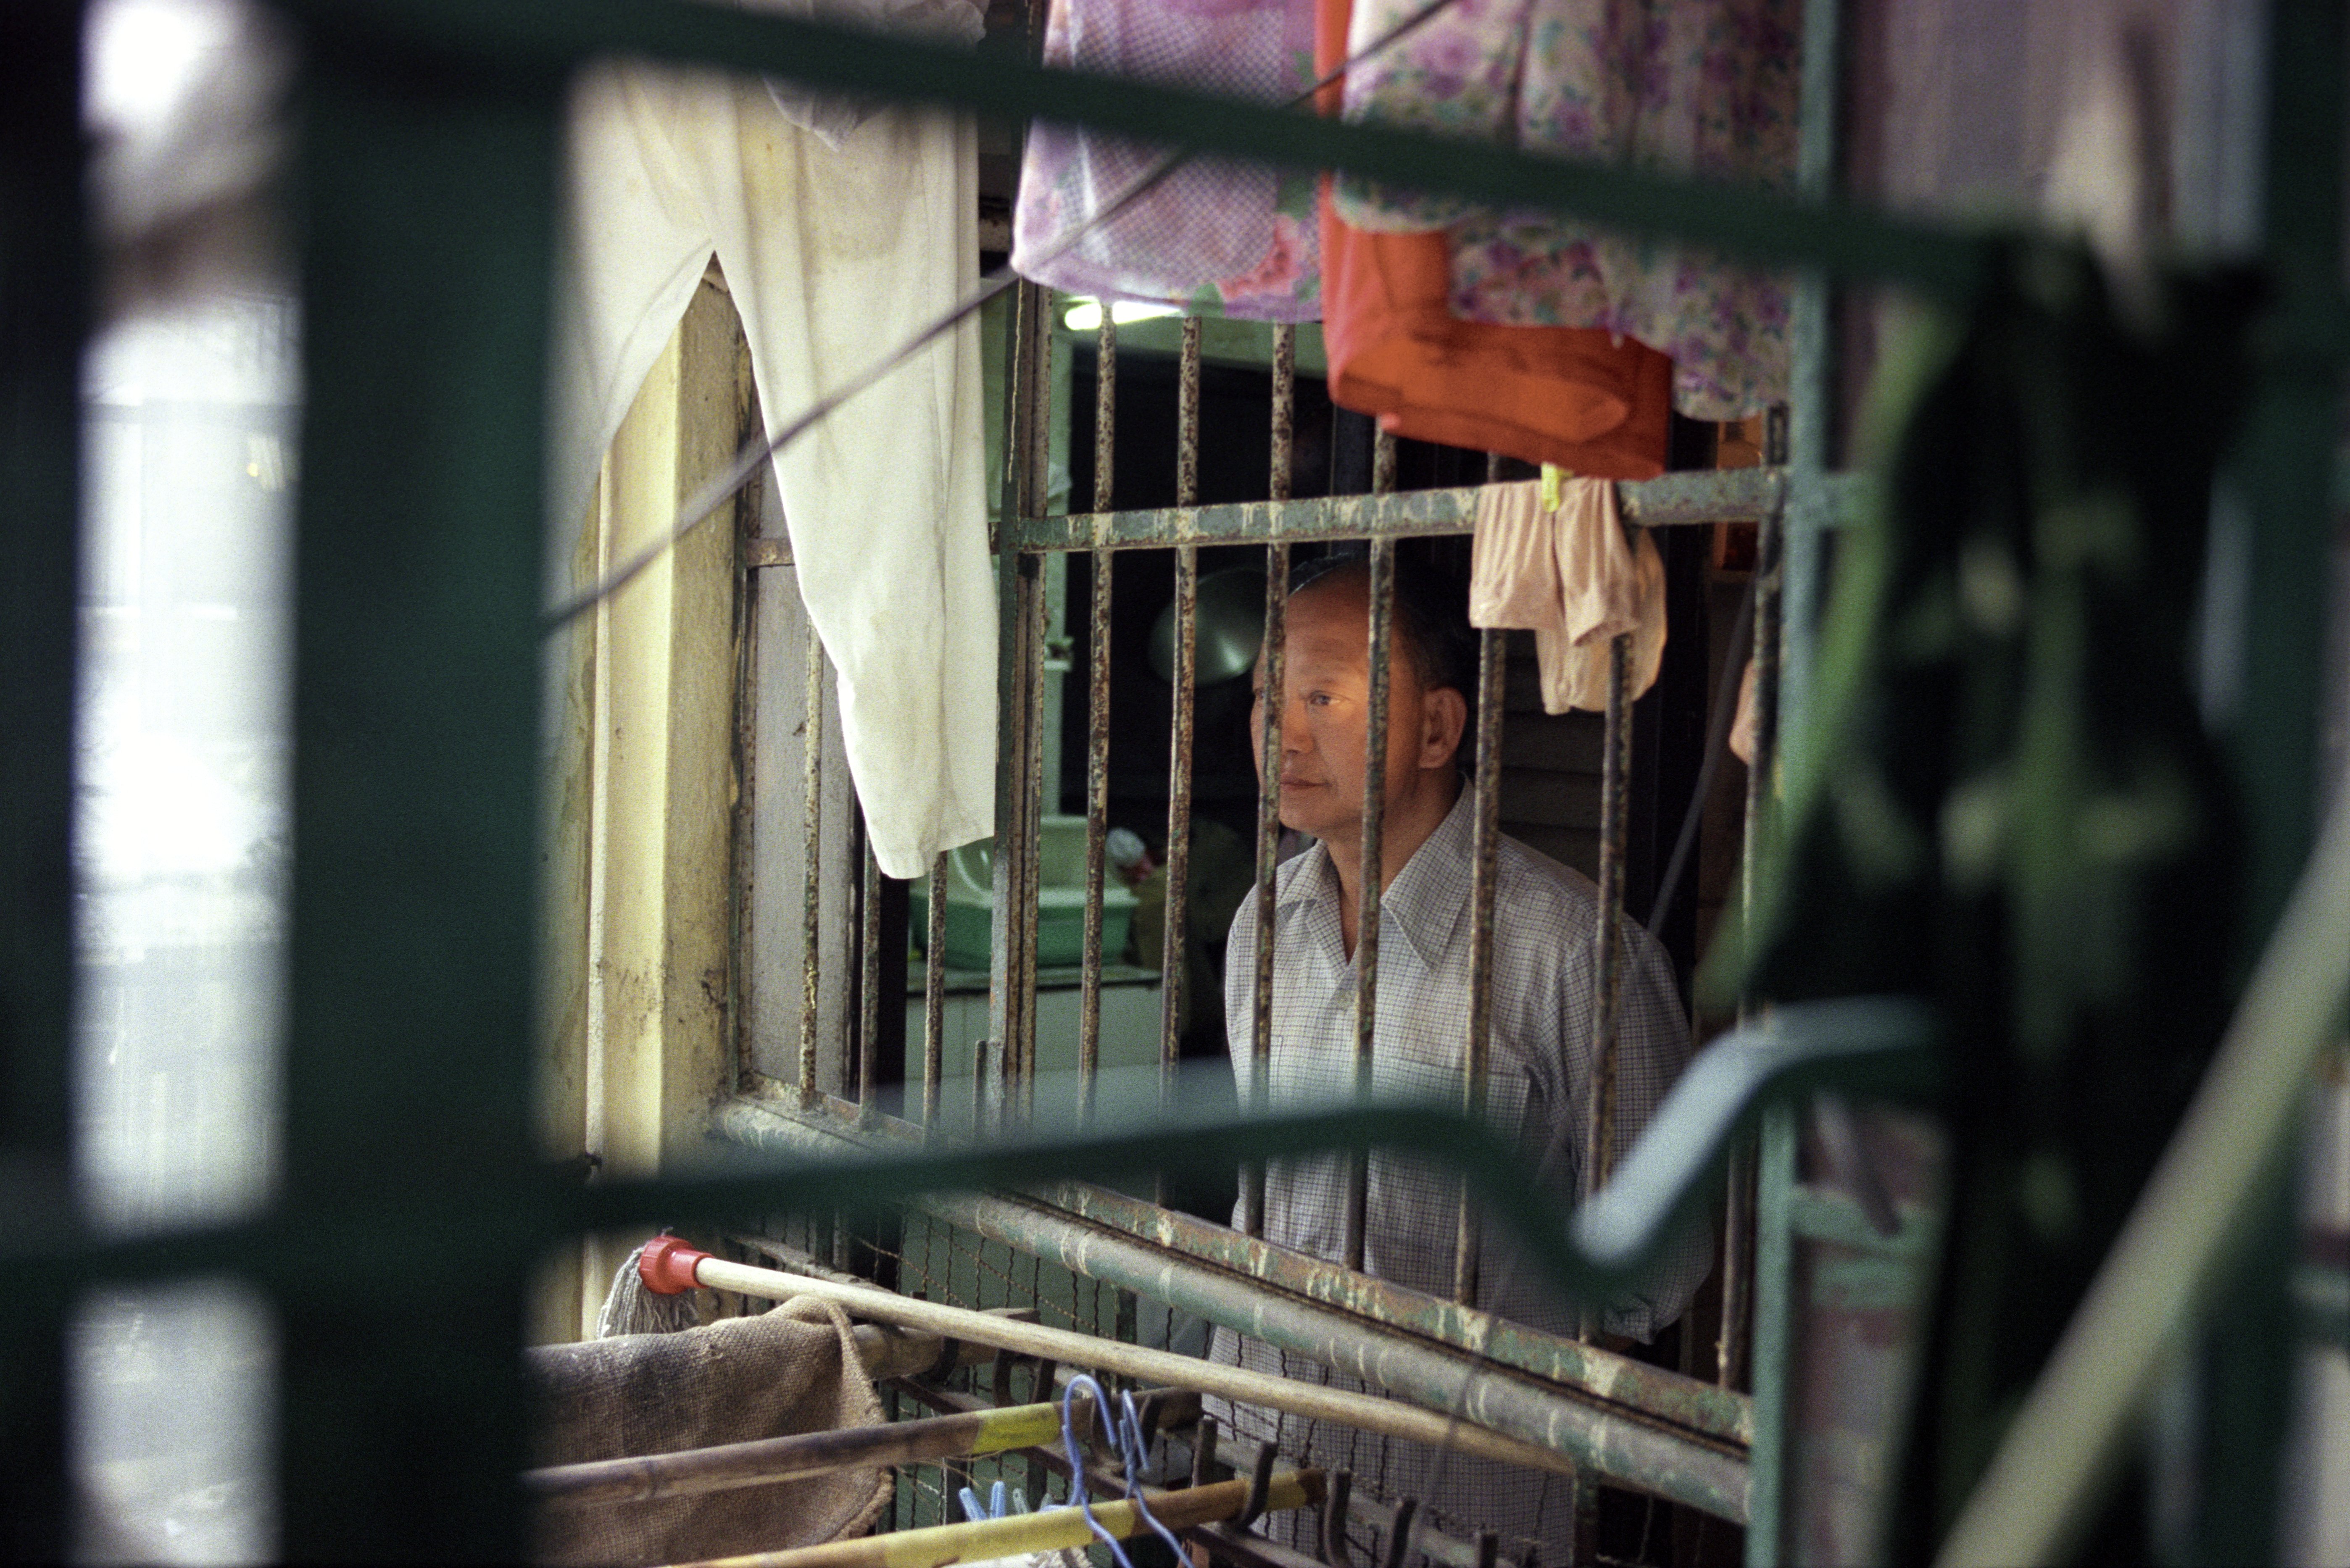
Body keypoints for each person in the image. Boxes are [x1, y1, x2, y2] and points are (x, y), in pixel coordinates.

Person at [1203, 553, 1709, 1558]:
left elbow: (1655, 1270)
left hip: (1464, 1514)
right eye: (1269, 696)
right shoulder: (1264, 925)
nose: (1282, 732)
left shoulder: (1575, 957)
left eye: (1325, 697)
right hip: (1263, 1473)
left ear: (1437, 727)